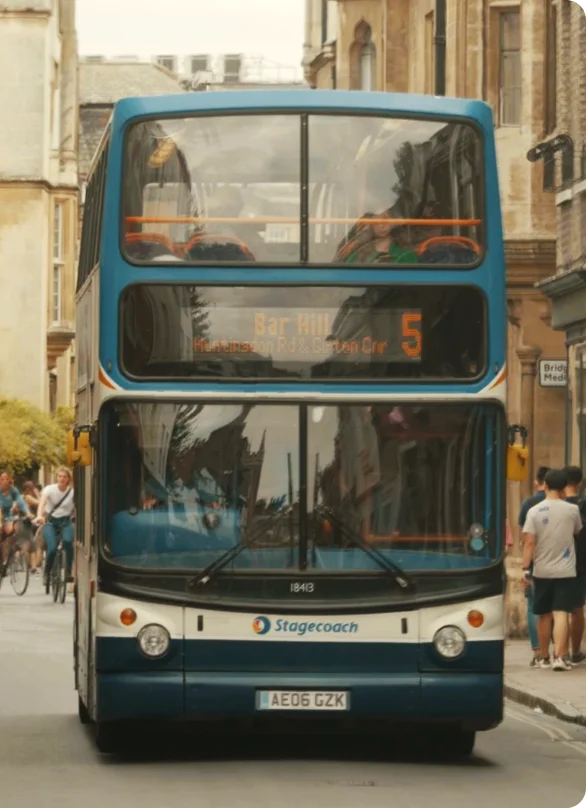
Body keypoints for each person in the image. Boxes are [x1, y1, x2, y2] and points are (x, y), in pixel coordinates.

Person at [522, 468, 582, 671]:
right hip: (566, 570)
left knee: (543, 614)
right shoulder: (572, 510)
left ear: (545, 486)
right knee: (562, 612)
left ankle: (543, 657)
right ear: (564, 487)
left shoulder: (534, 511)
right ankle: (560, 656)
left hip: (542, 570)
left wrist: (525, 568)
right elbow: (576, 531)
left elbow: (529, 542)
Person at [518, 466, 550, 666]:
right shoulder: (562, 503)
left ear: (537, 482)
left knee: (532, 606)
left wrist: (524, 565)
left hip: (534, 561)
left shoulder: (529, 503)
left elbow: (524, 536)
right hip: (556, 561)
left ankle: (537, 650)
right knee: (554, 608)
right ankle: (556, 651)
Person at [35, 467, 75, 586]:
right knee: (51, 548)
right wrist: (39, 516)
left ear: (68, 479)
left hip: (66, 522)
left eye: (65, 477)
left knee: (68, 542)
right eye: (60, 476)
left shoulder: (72, 492)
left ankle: (68, 571)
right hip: (51, 523)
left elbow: (77, 507)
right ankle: (47, 573)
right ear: (56, 477)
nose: (62, 479)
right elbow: (42, 503)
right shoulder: (49, 489)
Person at [564, 466, 586, 663]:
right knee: (577, 608)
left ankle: (557, 652)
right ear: (579, 483)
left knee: (559, 609)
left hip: (560, 563)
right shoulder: (582, 505)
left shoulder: (555, 504)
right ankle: (576, 651)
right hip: (581, 564)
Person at [0, 471, 32, 569]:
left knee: (18, 526)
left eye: (6, 479)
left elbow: (20, 501)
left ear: (9, 480)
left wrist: (28, 512)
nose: (5, 481)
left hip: (10, 517)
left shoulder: (13, 490)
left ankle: (14, 549)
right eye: (2, 479)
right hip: (1, 516)